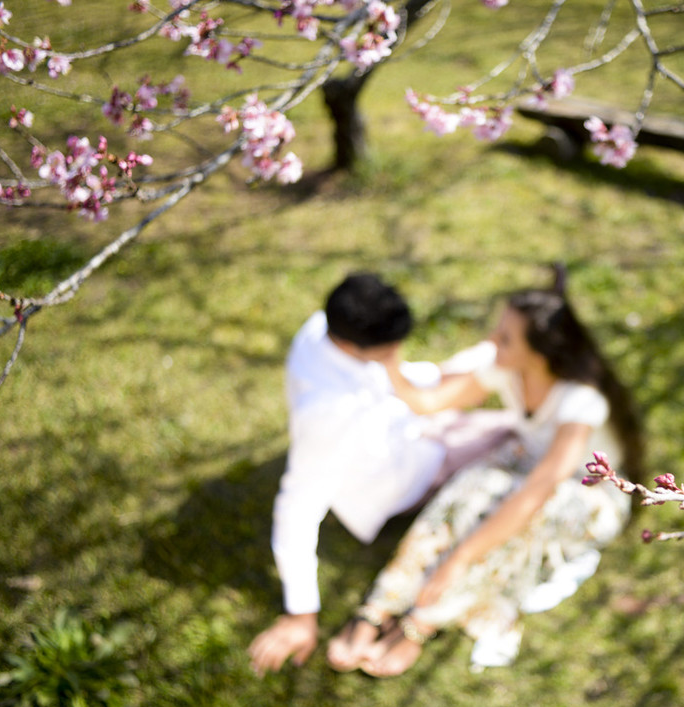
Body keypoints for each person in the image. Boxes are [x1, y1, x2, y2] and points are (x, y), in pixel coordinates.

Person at [325, 278, 643, 676]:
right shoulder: (507, 369)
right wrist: (388, 357)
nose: (492, 341)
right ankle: (381, 604)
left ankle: (422, 621)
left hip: (590, 493)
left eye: (505, 338)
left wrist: (460, 559)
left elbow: (539, 492)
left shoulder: (581, 401)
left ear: (540, 353)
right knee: (470, 486)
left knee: (514, 524)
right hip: (529, 466)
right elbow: (428, 403)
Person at [247, 273, 509, 676]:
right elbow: (297, 507)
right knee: (521, 433)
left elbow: (392, 381)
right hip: (409, 472)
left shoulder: (323, 327)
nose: (397, 352)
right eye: (390, 349)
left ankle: (501, 348)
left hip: (399, 424)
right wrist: (301, 613)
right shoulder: (328, 415)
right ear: (353, 345)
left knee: (468, 379)